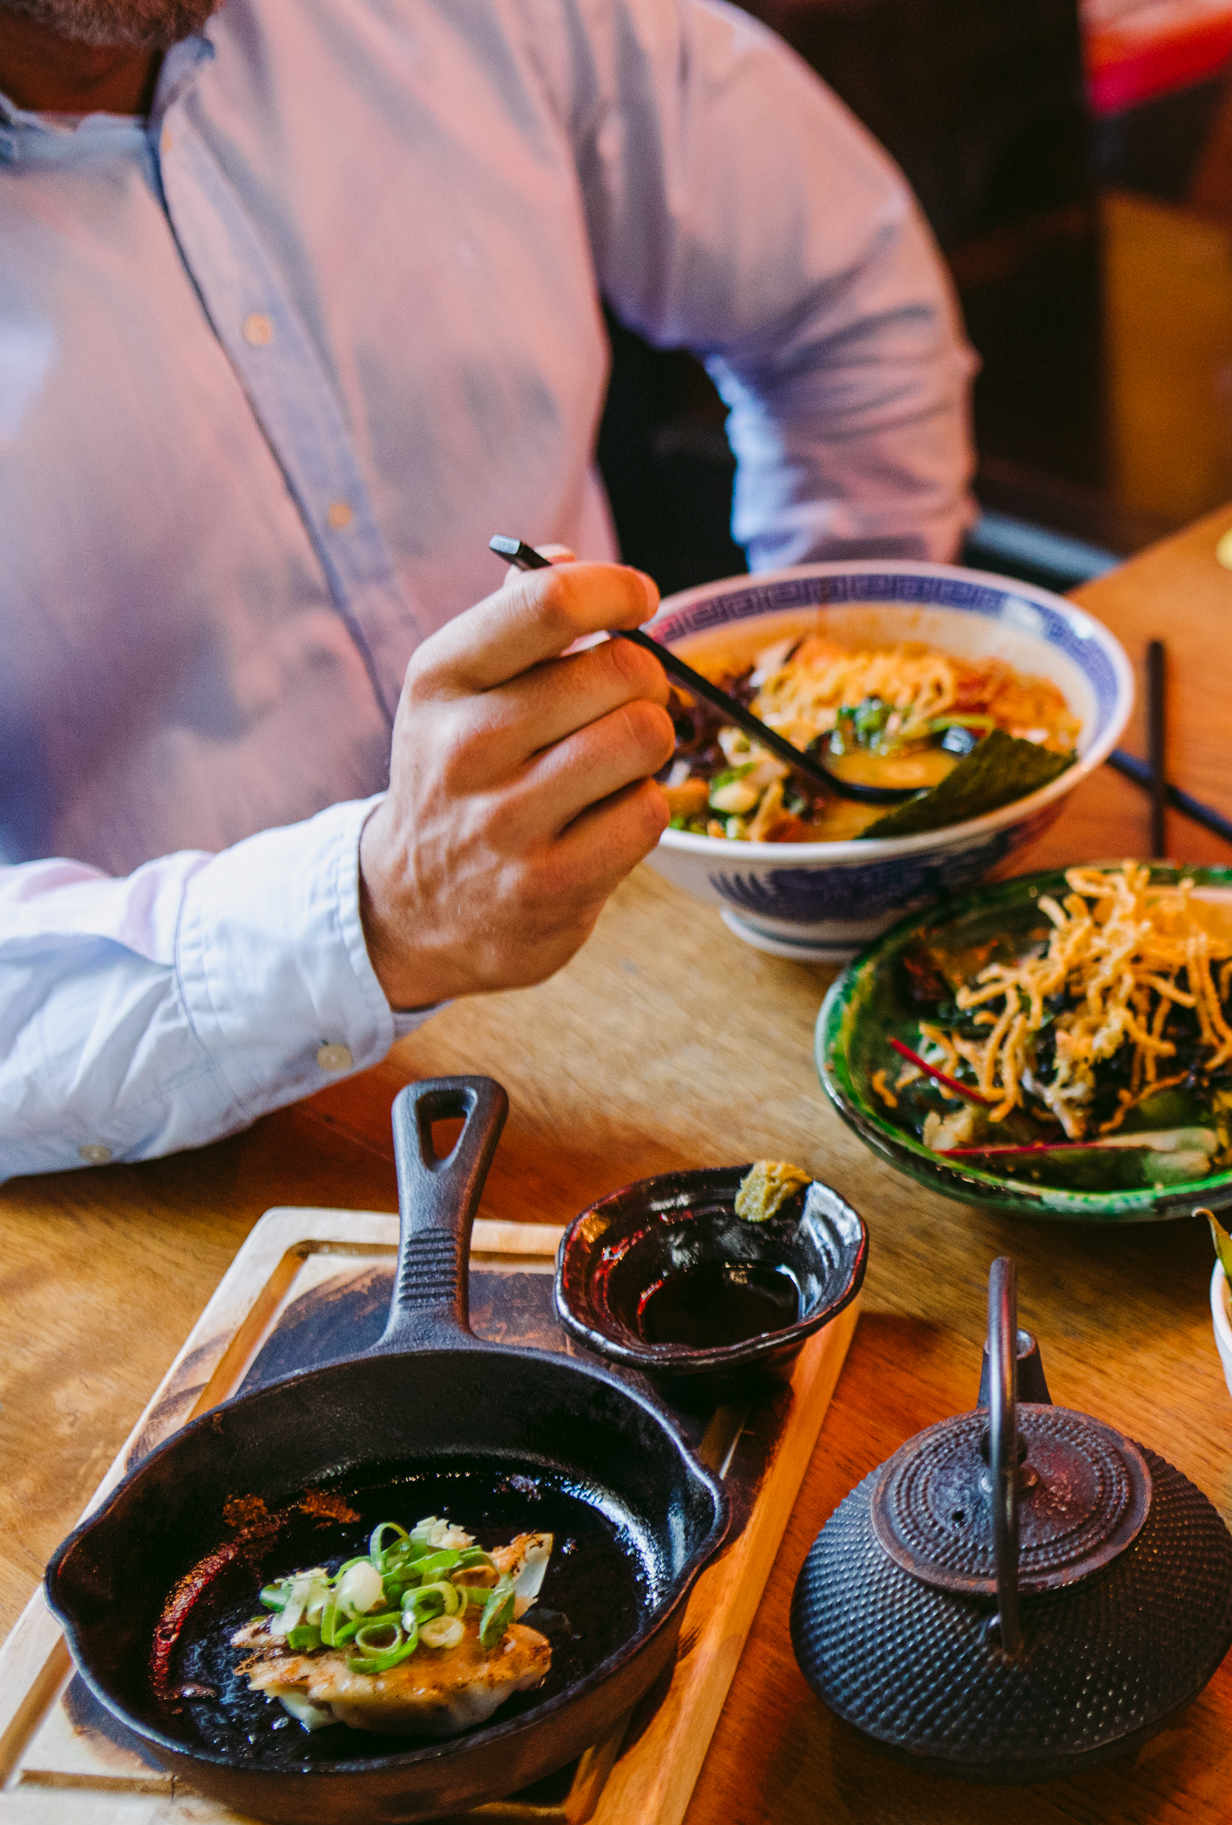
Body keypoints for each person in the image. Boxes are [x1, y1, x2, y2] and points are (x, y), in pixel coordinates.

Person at [0, 0, 972, 1181]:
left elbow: (839, 288)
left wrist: (825, 717)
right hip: (160, 1189)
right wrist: (379, 912)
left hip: (690, 1009)